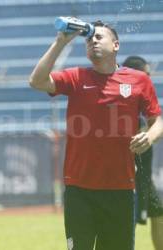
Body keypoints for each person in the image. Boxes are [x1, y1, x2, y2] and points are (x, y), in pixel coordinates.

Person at [29, 20, 163, 250]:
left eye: (100, 37)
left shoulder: (139, 80)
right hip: (79, 190)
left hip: (120, 190)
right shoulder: (76, 77)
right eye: (89, 39)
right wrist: (60, 42)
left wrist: (149, 137)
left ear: (116, 45)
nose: (93, 41)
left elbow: (157, 121)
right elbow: (36, 81)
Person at [123, 55, 163, 250]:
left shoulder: (145, 99)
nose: (150, 78)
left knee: (159, 213)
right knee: (127, 222)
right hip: (129, 176)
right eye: (146, 74)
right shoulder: (123, 99)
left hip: (145, 176)